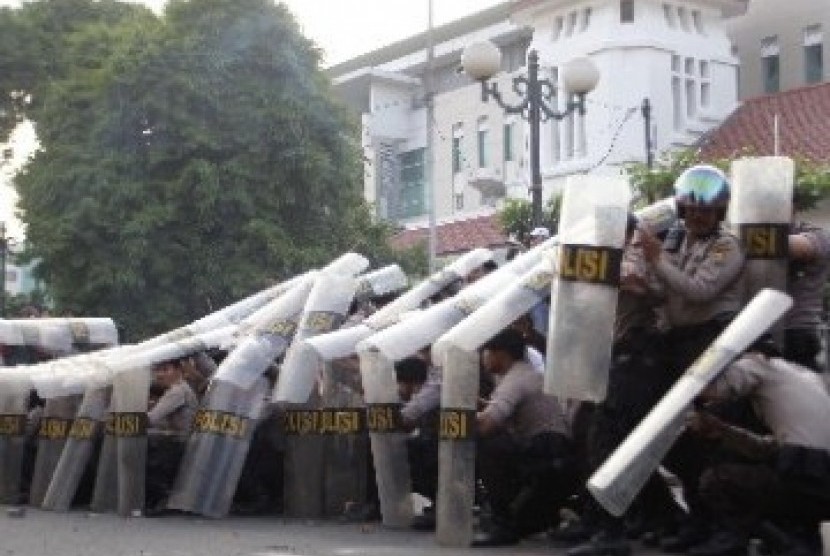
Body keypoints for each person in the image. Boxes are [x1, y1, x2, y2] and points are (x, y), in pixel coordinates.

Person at [638, 165, 747, 552]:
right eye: (691, 209)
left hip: (710, 344)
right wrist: (643, 274)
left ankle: (723, 526)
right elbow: (659, 288)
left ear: (719, 212)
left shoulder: (727, 245)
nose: (697, 216)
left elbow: (699, 291)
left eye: (706, 210)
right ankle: (696, 517)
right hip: (676, 343)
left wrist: (657, 262)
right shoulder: (677, 243)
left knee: (709, 435)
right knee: (677, 438)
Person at [566, 214, 680, 556]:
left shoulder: (632, 254)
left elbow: (635, 278)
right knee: (596, 435)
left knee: (610, 440)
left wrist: (592, 267)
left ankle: (612, 530)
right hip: (611, 356)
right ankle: (654, 516)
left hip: (637, 355)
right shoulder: (604, 257)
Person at [687, 350, 830, 556]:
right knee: (778, 477)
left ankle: (786, 545)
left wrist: (699, 369)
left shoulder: (758, 364)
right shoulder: (806, 376)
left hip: (806, 477)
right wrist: (721, 429)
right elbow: (766, 449)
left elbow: (710, 390)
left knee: (715, 481)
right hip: (819, 483)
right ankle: (801, 540)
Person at [472, 328, 575, 547]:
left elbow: (487, 426)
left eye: (486, 352)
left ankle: (503, 523)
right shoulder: (524, 374)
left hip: (546, 453)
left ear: (500, 353)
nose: (483, 357)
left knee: (488, 446)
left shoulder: (516, 379)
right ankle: (536, 516)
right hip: (555, 454)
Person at [784, 221, 830, 370]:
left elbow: (799, 247)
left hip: (796, 331)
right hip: (757, 329)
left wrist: (736, 237)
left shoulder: (816, 234)